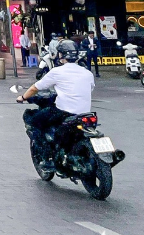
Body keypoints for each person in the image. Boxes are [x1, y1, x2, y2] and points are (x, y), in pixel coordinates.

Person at [16, 40, 94, 170]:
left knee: (35, 121)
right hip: (85, 113)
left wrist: (23, 97)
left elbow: (35, 88)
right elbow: (88, 89)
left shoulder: (57, 72)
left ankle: (47, 158)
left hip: (64, 112)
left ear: (60, 55)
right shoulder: (87, 73)